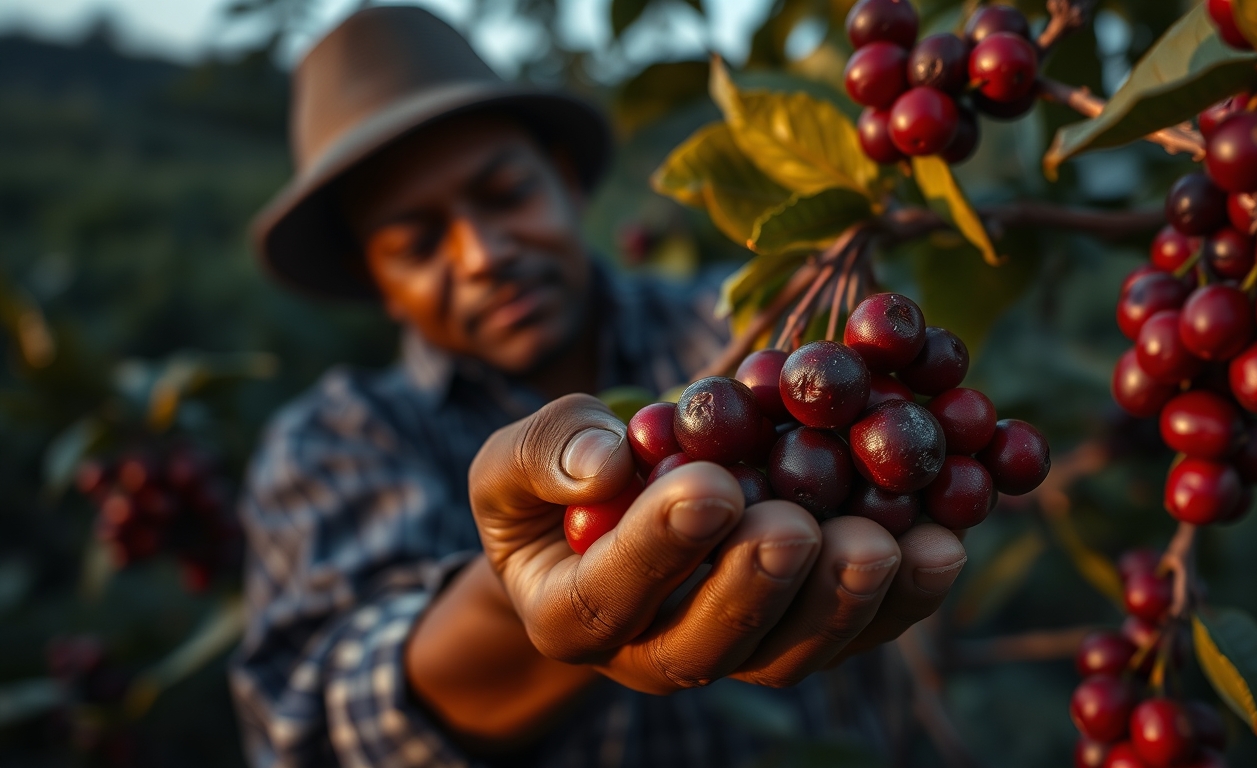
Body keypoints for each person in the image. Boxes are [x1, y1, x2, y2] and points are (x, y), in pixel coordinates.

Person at [231, 6, 969, 766]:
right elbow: (315, 721)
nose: (483, 254)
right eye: (419, 243)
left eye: (506, 193)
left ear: (564, 179)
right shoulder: (336, 442)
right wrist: (519, 607)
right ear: (375, 280)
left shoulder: (740, 326)